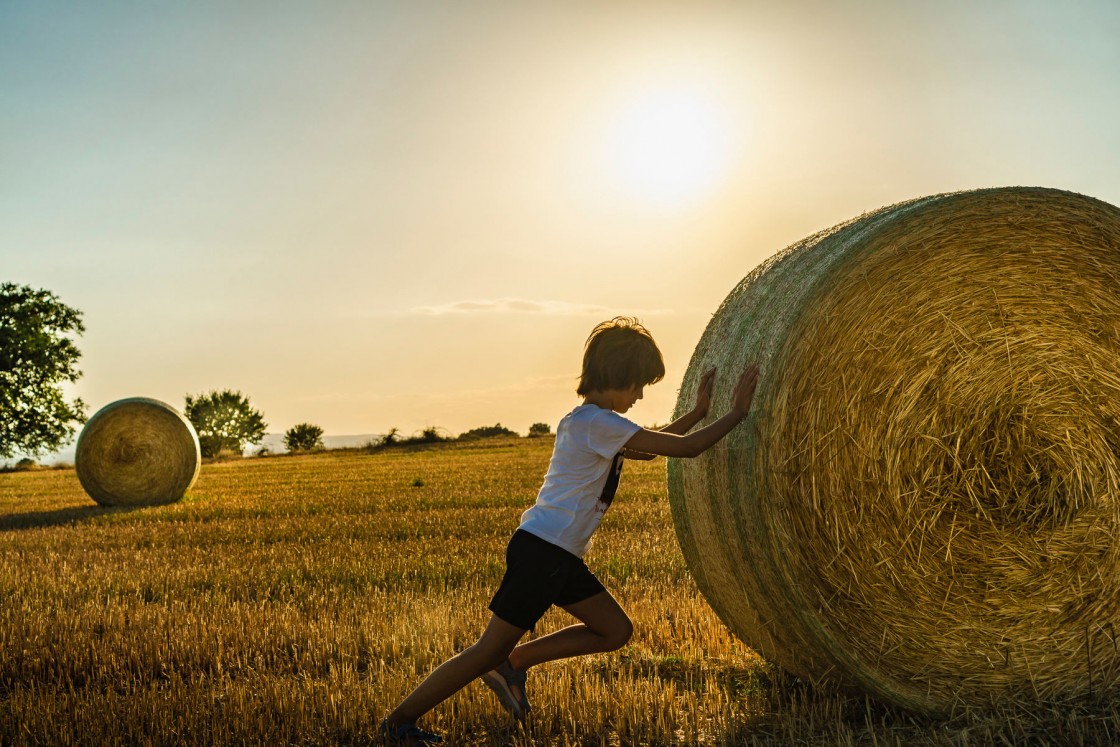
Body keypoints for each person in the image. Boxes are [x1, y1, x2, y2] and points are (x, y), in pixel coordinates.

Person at [381, 316, 759, 745]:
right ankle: (399, 722)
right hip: (545, 551)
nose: (638, 395)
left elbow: (652, 451)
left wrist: (697, 412)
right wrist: (737, 413)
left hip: (556, 552)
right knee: (487, 649)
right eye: (637, 385)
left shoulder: (589, 422)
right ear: (618, 375)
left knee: (615, 631)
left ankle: (514, 662)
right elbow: (686, 449)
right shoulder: (596, 423)